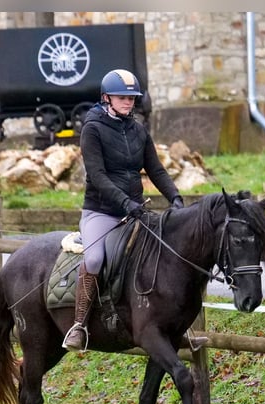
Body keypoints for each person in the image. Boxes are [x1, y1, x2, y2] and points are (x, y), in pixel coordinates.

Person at [62, 68, 185, 352]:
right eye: (122, 98)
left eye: (132, 98)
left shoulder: (138, 129)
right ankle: (79, 325)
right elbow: (98, 175)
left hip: (135, 211)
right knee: (94, 259)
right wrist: (125, 203)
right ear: (106, 98)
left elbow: (155, 169)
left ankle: (171, 326)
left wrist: (175, 197)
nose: (129, 103)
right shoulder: (92, 129)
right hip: (102, 212)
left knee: (163, 254)